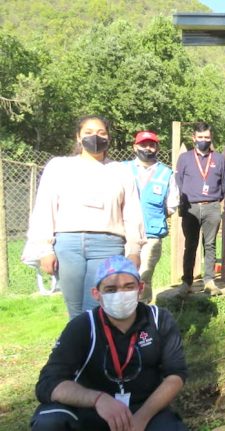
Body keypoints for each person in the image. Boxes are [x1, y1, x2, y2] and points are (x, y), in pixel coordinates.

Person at [30, 255, 188, 431]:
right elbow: (48, 383)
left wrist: (141, 418)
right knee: (49, 421)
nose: (120, 295)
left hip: (143, 409)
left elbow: (176, 374)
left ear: (140, 288)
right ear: (96, 294)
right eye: (111, 290)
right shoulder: (83, 326)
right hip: (91, 409)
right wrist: (97, 399)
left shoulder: (160, 320)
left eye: (128, 287)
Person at [26, 115, 145, 319]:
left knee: (96, 308)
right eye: (88, 133)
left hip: (107, 244)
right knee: (75, 310)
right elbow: (45, 208)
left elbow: (132, 213)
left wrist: (134, 249)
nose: (95, 137)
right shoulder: (59, 167)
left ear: (108, 137)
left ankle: (100, 348)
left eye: (101, 133)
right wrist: (44, 249)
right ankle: (80, 348)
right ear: (78, 137)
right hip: (68, 245)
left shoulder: (121, 171)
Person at [176, 121, 225, 296]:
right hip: (190, 208)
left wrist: (214, 199)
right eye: (200, 137)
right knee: (190, 245)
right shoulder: (185, 158)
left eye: (206, 137)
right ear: (194, 138)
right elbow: (179, 182)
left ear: (211, 138)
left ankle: (209, 281)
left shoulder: (219, 159)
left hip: (212, 207)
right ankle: (187, 282)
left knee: (210, 245)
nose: (203, 140)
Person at [126, 131, 180, 303]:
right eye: (143, 144)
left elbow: (171, 204)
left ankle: (142, 315)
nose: (148, 148)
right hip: (125, 234)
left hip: (152, 235)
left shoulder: (166, 173)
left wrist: (153, 216)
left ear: (157, 148)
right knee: (123, 275)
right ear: (135, 147)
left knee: (144, 275)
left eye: (152, 145)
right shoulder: (123, 169)